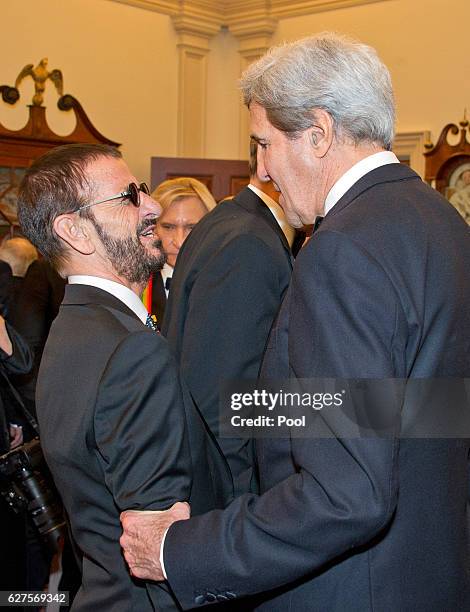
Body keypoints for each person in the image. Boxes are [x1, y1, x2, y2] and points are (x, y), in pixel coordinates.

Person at [120, 33, 470, 611]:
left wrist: (180, 549)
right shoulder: (443, 224)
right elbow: (431, 404)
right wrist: (264, 408)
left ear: (319, 132)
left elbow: (347, 494)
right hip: (428, 570)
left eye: (263, 144)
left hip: (353, 586)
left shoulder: (342, 248)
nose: (260, 169)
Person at [17, 143, 232, 611]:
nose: (151, 205)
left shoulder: (73, 329)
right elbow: (157, 550)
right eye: (128, 196)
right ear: (74, 230)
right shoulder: (126, 348)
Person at [161, 142, 294, 496]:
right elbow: (224, 399)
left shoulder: (229, 223)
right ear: (268, 162)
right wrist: (243, 504)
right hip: (231, 491)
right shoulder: (248, 242)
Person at [150, 177, 216, 325]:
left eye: (191, 228)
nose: (179, 242)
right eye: (168, 227)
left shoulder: (224, 281)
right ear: (152, 228)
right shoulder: (137, 285)